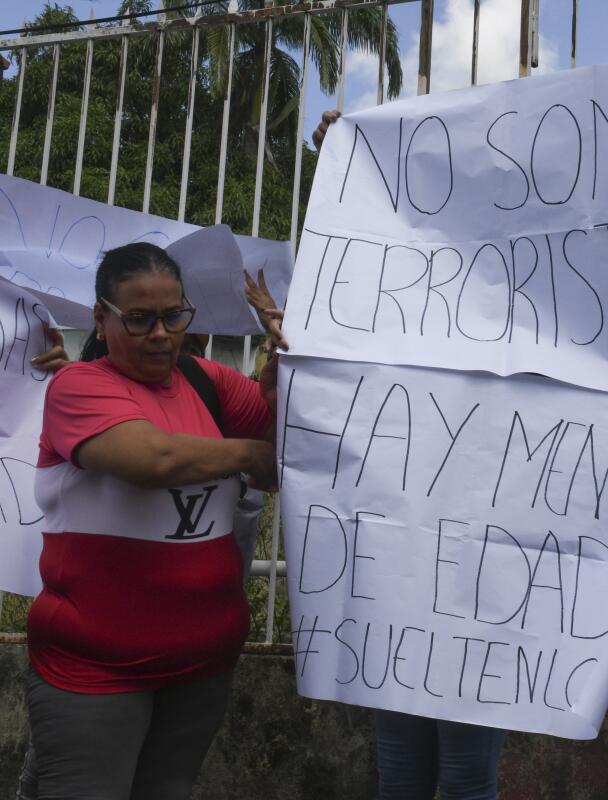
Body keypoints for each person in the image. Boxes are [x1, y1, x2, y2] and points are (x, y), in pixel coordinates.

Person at [24, 242, 278, 800]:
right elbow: (150, 460)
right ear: (100, 318)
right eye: (138, 319)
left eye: (173, 315)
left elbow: (293, 454)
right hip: (95, 673)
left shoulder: (209, 381)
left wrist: (288, 368)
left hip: (203, 665)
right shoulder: (81, 386)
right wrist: (247, 456)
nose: (162, 334)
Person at [310, 109, 506, 800]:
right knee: (398, 758)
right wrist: (342, 171)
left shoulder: (509, 343)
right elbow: (351, 280)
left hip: (476, 585)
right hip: (398, 585)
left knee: (465, 766)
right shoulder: (389, 335)